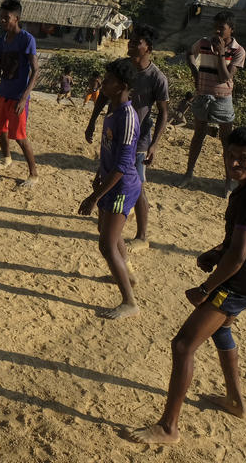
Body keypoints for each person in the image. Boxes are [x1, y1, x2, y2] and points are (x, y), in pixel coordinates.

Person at [131, 127, 246, 445]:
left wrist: (205, 289)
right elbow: (243, 244)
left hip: (236, 283)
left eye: (244, 158)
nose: (235, 163)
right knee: (221, 331)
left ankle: (169, 428)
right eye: (230, 156)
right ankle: (236, 402)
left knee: (183, 345)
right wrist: (216, 252)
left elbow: (239, 257)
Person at [85, 24, 169, 249]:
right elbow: (103, 96)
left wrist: (154, 144)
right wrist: (93, 121)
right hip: (115, 132)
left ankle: (142, 235)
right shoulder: (121, 68)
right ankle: (115, 217)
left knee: (137, 184)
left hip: (139, 138)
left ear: (148, 47)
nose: (131, 45)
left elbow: (163, 112)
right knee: (112, 172)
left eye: (136, 42)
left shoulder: (156, 77)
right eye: (130, 41)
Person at [79, 59, 142, 319]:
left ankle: (129, 301)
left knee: (106, 245)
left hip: (121, 188)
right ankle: (127, 274)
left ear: (123, 86)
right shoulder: (113, 111)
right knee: (110, 236)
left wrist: (95, 196)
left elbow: (123, 165)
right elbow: (109, 153)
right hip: (110, 184)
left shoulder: (127, 117)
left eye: (109, 80)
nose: (103, 83)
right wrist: (97, 176)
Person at [181, 11, 246, 196]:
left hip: (223, 99)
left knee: (227, 142)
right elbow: (189, 53)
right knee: (198, 136)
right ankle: (188, 173)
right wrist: (195, 73)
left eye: (222, 28)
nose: (217, 30)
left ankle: (228, 182)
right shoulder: (203, 42)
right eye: (215, 26)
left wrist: (220, 54)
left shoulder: (238, 51)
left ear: (231, 30)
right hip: (203, 96)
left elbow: (225, 77)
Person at [0, 0, 39, 189]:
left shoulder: (27, 40)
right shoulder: (1, 40)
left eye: (6, 18)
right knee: (0, 131)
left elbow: (35, 71)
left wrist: (23, 98)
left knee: (20, 137)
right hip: (3, 93)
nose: (2, 21)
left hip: (18, 97)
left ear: (16, 18)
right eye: (1, 17)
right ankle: (6, 159)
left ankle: (34, 174)